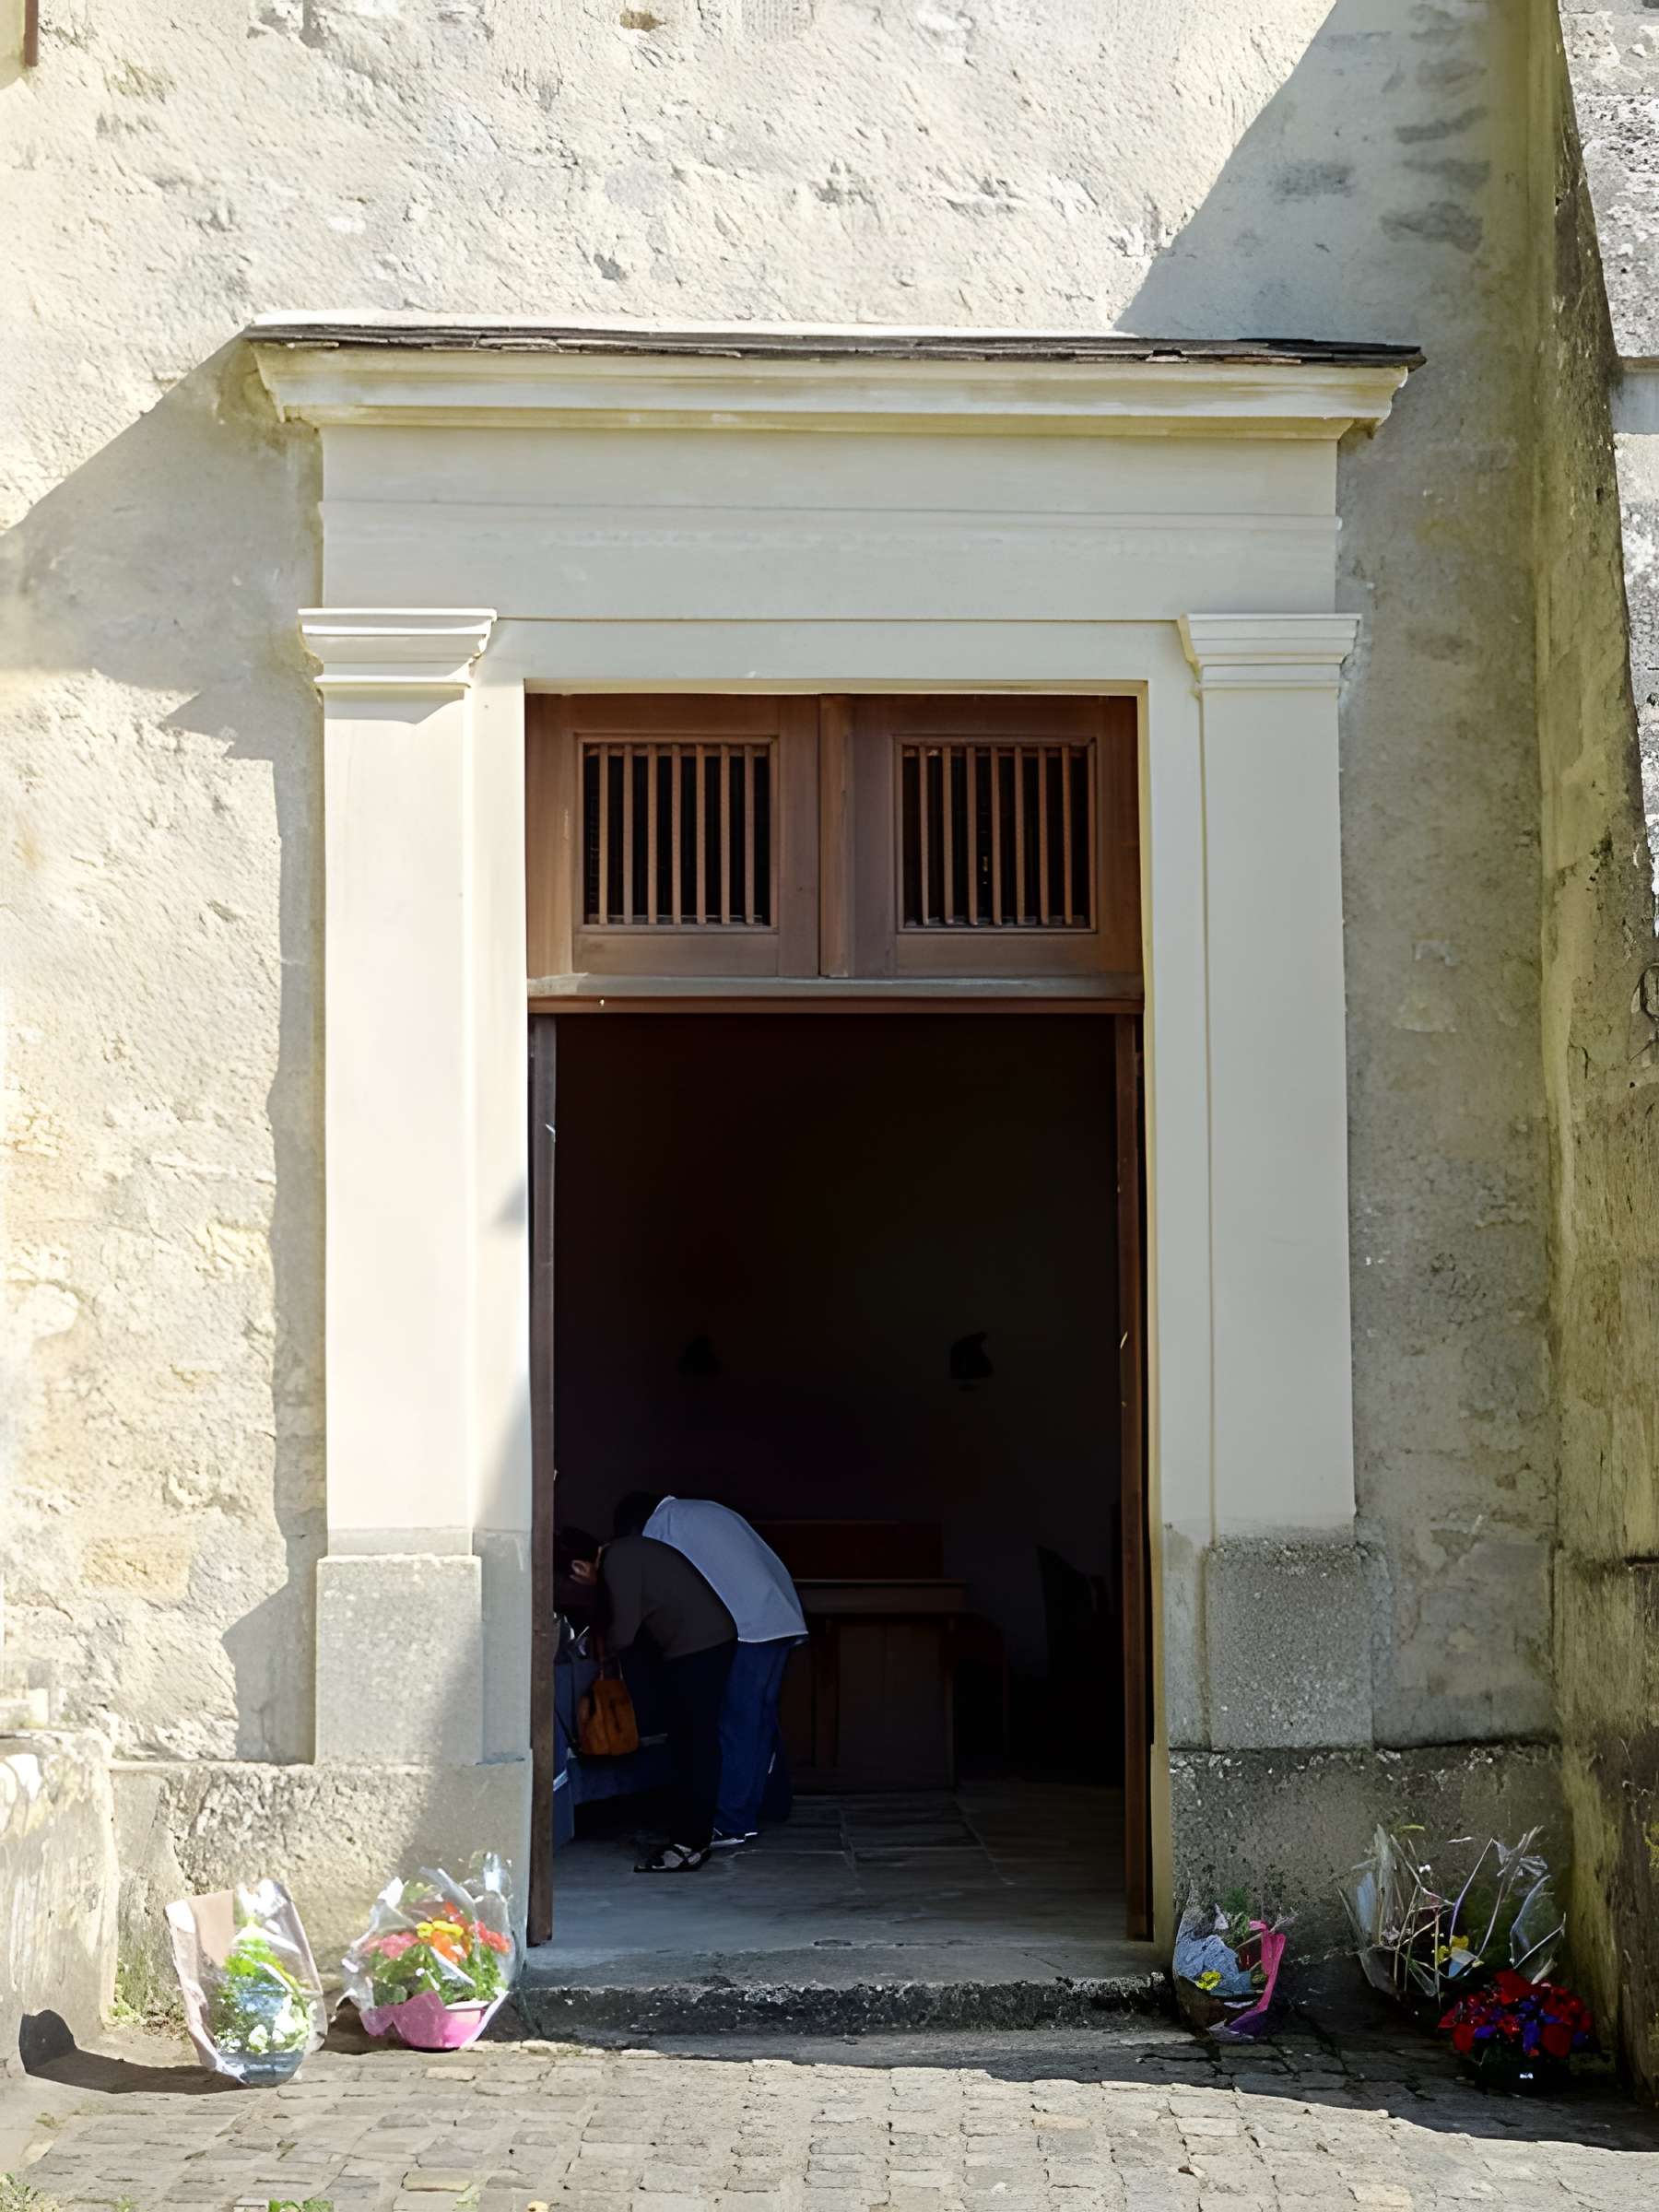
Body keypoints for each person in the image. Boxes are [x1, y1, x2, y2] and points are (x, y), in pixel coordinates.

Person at [614, 1490, 806, 1850]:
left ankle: (729, 1823)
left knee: (732, 1726)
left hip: (747, 1626)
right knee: (757, 1725)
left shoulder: (661, 1525)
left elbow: (649, 1586)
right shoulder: (705, 1511)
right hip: (779, 1616)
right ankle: (751, 1813)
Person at [555, 1524, 735, 1874]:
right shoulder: (626, 1551)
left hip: (699, 1649)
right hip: (703, 1645)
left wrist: (595, 1652)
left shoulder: (619, 1561)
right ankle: (692, 1836)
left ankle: (691, 1843)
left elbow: (624, 1629)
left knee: (695, 1743)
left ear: (579, 1568)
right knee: (691, 1741)